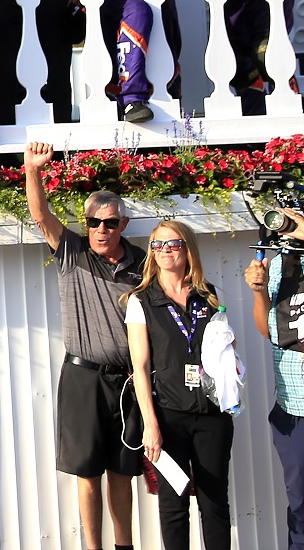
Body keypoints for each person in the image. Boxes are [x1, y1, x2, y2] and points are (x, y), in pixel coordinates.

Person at [24, 141, 145, 550]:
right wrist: (33, 170)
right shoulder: (73, 252)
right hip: (82, 379)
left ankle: (123, 546)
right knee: (88, 475)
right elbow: (40, 215)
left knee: (122, 474)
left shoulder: (143, 264)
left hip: (128, 383)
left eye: (110, 223)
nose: (101, 230)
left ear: (124, 225)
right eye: (94, 222)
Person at [126, 220, 232, 550]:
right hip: (168, 416)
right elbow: (140, 368)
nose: (164, 251)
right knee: (173, 506)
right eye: (157, 245)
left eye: (172, 244)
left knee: (214, 503)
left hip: (212, 415)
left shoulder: (207, 293)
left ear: (188, 249)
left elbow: (223, 349)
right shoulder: (140, 300)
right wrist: (151, 426)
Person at [244, 210, 304, 550]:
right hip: (293, 408)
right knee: (300, 506)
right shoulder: (282, 264)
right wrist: (259, 291)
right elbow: (269, 330)